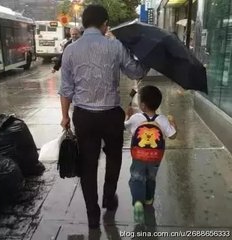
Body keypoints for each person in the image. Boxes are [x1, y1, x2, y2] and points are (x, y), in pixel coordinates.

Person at [59, 5, 148, 229]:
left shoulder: (70, 49)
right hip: (111, 116)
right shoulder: (115, 46)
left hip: (84, 117)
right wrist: (147, 59)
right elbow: (136, 72)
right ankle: (109, 197)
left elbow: (66, 89)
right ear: (104, 24)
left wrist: (64, 117)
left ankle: (92, 213)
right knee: (114, 157)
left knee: (87, 164)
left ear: (83, 23)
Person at [125, 85, 177, 223]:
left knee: (136, 178)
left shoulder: (136, 118)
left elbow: (125, 126)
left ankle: (137, 202)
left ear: (142, 105)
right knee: (150, 178)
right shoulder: (163, 120)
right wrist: (173, 123)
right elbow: (172, 136)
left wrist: (128, 115)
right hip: (155, 158)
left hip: (138, 157)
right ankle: (148, 200)